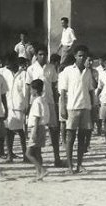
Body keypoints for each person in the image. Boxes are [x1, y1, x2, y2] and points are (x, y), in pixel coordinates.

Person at [58, 45, 96, 173]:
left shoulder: (88, 72)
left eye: (84, 56)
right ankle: (70, 166)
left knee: (82, 138)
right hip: (72, 108)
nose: (82, 58)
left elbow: (91, 91)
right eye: (80, 56)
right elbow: (63, 91)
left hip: (85, 107)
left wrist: (93, 107)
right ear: (75, 56)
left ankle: (79, 165)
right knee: (70, 138)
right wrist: (62, 108)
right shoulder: (68, 71)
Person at [27, 47, 64, 167]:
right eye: (40, 54)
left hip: (49, 102)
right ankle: (39, 161)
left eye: (44, 54)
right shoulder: (31, 69)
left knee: (54, 130)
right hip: (36, 103)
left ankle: (57, 158)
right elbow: (28, 88)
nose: (42, 57)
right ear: (36, 55)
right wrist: (28, 104)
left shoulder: (51, 68)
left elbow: (54, 86)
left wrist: (57, 103)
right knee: (37, 130)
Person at [23, 79, 48, 181]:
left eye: (31, 89)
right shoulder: (43, 100)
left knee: (28, 153)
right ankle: (39, 175)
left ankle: (42, 170)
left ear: (35, 90)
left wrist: (34, 132)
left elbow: (37, 117)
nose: (30, 92)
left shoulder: (37, 101)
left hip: (36, 128)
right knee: (38, 152)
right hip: (42, 127)